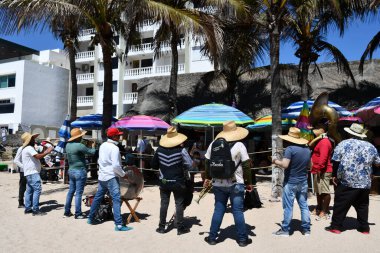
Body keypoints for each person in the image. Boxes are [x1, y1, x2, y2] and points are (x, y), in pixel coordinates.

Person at [203, 121, 253, 247]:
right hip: (236, 183)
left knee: (218, 210)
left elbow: (207, 164)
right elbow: (247, 166)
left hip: (218, 184)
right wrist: (248, 183)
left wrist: (208, 178)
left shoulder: (213, 145)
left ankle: (212, 237)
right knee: (237, 211)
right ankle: (242, 239)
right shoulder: (240, 145)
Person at [325, 123, 380, 234]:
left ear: (349, 133)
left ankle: (336, 226)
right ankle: (364, 228)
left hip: (347, 181)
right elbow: (378, 163)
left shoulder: (343, 144)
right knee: (362, 205)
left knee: (341, 203)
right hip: (365, 182)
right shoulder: (370, 146)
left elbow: (336, 161)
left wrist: (335, 175)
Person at [87, 128, 132, 232]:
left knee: (98, 197)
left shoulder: (102, 145)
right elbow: (116, 166)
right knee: (116, 200)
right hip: (111, 176)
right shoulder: (114, 148)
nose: (120, 137)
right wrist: (123, 175)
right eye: (118, 135)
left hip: (102, 176)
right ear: (114, 137)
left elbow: (100, 160)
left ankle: (90, 218)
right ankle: (119, 225)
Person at [151, 126, 192, 235]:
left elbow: (153, 165)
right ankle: (180, 228)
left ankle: (161, 227)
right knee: (179, 203)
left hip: (164, 182)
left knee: (164, 203)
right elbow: (190, 164)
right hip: (178, 181)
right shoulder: (181, 150)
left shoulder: (159, 150)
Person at [272, 127, 311, 237]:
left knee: (288, 206)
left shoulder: (290, 149)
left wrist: (275, 161)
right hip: (303, 181)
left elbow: (285, 164)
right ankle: (306, 229)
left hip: (291, 181)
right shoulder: (307, 150)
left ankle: (285, 229)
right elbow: (310, 166)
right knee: (303, 205)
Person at [64, 128, 96, 219]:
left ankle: (67, 211)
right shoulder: (79, 145)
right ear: (78, 137)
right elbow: (92, 152)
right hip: (80, 170)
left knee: (71, 191)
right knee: (78, 193)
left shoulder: (68, 145)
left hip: (71, 170)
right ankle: (78, 213)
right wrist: (92, 145)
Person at [21, 132, 53, 216]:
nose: (34, 140)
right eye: (32, 139)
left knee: (29, 191)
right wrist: (47, 151)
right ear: (29, 140)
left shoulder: (26, 148)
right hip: (33, 172)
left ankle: (28, 208)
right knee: (37, 190)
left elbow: (38, 155)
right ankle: (35, 209)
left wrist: (44, 149)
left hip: (29, 173)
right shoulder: (29, 148)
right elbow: (38, 156)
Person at [310, 122, 334, 220]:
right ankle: (319, 208)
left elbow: (323, 157)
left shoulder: (324, 142)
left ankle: (325, 211)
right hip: (318, 169)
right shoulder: (321, 141)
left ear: (322, 130)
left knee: (324, 191)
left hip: (322, 170)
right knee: (319, 191)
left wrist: (319, 168)